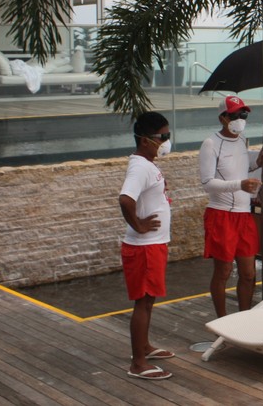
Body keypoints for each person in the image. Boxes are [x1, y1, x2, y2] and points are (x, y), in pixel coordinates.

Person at [119, 111, 175, 381]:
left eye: (168, 135)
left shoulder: (147, 164)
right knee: (143, 302)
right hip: (144, 246)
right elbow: (125, 199)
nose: (166, 140)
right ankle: (138, 363)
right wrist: (139, 225)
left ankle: (144, 347)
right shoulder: (140, 166)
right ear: (145, 140)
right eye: (162, 137)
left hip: (154, 244)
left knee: (149, 300)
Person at [199, 95, 263, 317]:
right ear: (223, 118)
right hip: (221, 214)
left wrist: (257, 163)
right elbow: (207, 183)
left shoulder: (243, 140)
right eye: (235, 115)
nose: (240, 118)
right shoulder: (210, 143)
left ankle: (244, 317)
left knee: (248, 273)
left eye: (243, 114)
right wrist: (240, 184)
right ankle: (222, 320)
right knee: (223, 271)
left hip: (244, 215)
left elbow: (241, 169)